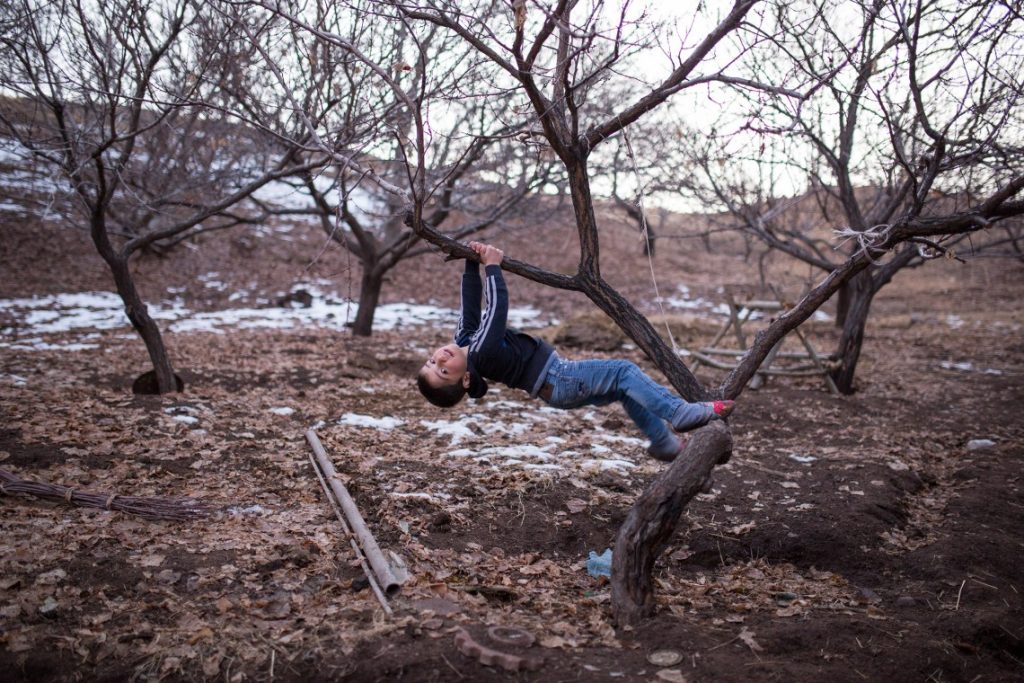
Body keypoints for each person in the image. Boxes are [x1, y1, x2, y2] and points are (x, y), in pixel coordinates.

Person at [416, 241, 735, 461]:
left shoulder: (464, 340)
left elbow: (470, 307)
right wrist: (493, 268)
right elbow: (496, 310)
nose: (441, 358)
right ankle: (678, 413)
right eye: (443, 371)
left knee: (624, 391)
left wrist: (471, 265)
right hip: (560, 378)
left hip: (556, 388)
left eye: (432, 361)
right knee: (624, 371)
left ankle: (663, 443)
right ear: (467, 380)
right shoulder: (481, 353)